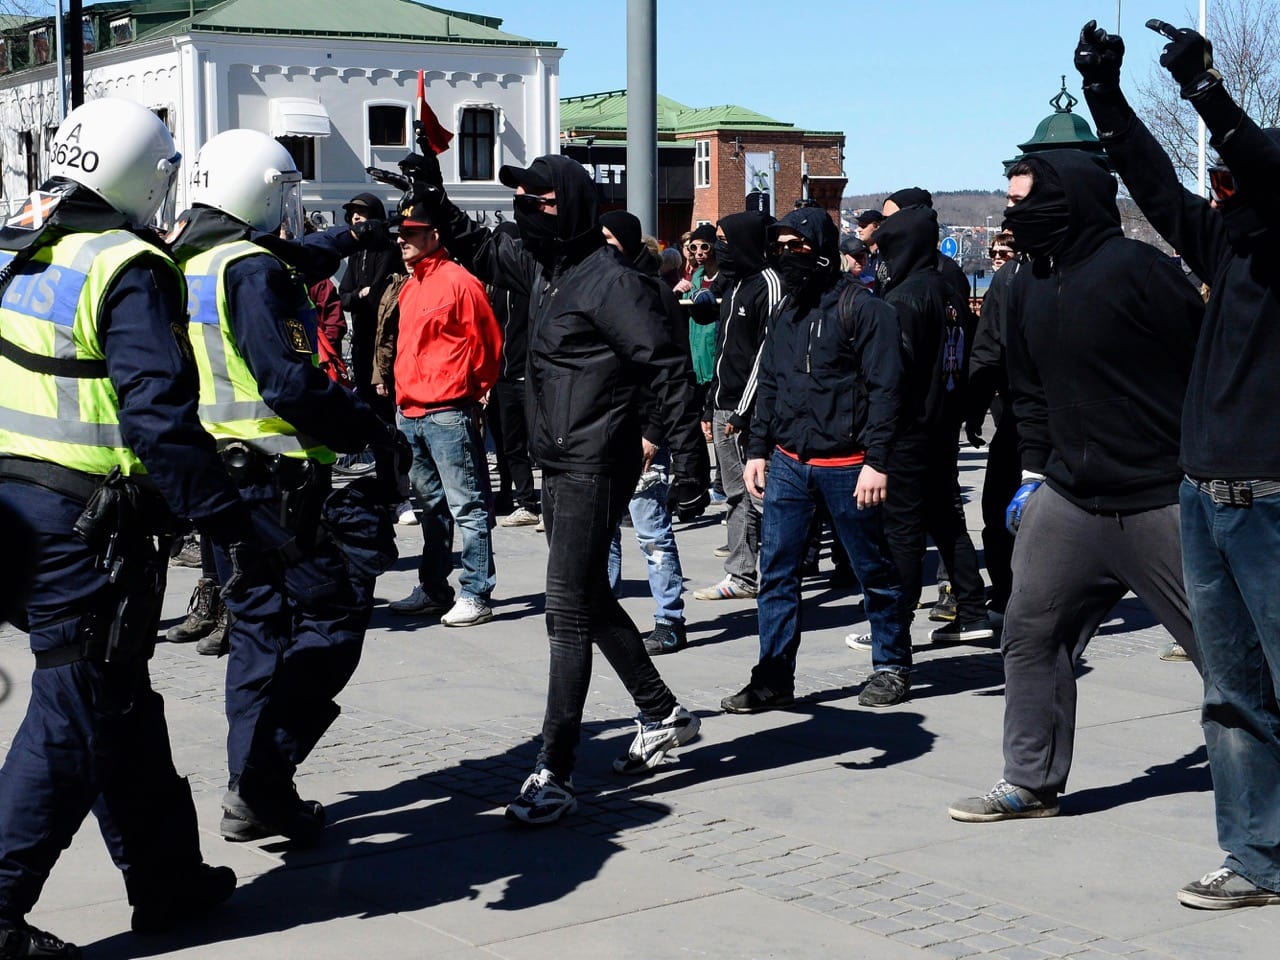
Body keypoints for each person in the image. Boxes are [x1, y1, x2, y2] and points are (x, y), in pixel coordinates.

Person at [0, 98, 273, 956]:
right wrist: (226, 519)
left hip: (17, 510)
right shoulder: (125, 263)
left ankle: (168, 881)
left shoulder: (18, 244)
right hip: (86, 522)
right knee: (77, 702)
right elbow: (157, 418)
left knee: (118, 699)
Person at [418, 152, 702, 823]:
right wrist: (432, 196)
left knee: (566, 611)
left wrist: (688, 463)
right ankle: (662, 713)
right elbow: (481, 247)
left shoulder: (611, 283)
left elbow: (666, 370)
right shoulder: (549, 272)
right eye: (523, 198)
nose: (530, 210)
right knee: (589, 595)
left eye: (543, 201)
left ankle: (555, 767)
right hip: (559, 459)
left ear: (573, 204)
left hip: (594, 463)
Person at [1076, 16, 1280, 909]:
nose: (1221, 191)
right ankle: (1258, 861)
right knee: (1232, 698)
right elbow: (1157, 187)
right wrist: (1106, 96)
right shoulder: (1227, 243)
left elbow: (1264, 171)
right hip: (1206, 498)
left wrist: (1208, 89)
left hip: (1273, 502)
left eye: (1235, 180)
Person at [947, 147, 1203, 826]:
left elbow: (1206, 367)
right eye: (1008, 203)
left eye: (1025, 201)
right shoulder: (1024, 285)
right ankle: (1030, 783)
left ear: (1073, 201)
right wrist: (1034, 475)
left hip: (1161, 496)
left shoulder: (1143, 272)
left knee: (1229, 650)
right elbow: (1026, 392)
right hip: (1068, 497)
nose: (1013, 214)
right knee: (1030, 632)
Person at [169, 128, 404, 845]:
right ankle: (262, 779)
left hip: (219, 480)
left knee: (257, 636)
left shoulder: (188, 262)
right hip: (277, 480)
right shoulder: (253, 270)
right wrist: (365, 424)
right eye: (283, 193)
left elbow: (305, 253)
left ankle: (252, 790)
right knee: (333, 621)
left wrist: (352, 234)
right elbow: (287, 381)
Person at [720, 207, 913, 713]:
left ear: (824, 247)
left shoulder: (866, 310)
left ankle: (891, 663)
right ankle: (772, 676)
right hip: (788, 463)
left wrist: (878, 460)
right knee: (777, 572)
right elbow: (771, 385)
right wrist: (758, 450)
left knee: (873, 569)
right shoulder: (786, 312)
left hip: (850, 467)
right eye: (780, 245)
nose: (788, 253)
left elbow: (888, 390)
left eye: (798, 245)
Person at [873, 198, 991, 643]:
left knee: (902, 530)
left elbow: (893, 372)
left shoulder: (906, 298)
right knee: (945, 518)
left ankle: (893, 628)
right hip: (941, 420)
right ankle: (973, 607)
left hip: (910, 426)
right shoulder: (949, 288)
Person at [381, 196, 501, 626]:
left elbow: (488, 344)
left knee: (466, 506)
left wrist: (474, 389)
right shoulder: (412, 284)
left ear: (434, 235)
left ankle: (476, 592)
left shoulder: (459, 282)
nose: (402, 239)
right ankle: (434, 589)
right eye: (401, 233)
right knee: (431, 506)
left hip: (448, 410)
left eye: (411, 233)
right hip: (411, 411)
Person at [599, 210, 698, 656]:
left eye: (608, 239)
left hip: (642, 436)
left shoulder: (654, 293)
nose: (602, 247)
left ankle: (669, 619)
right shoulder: (601, 289)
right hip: (604, 432)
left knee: (652, 531)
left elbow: (672, 373)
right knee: (604, 533)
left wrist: (653, 432)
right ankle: (603, 611)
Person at [693, 211, 783, 603]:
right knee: (735, 494)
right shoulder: (735, 284)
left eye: (726, 240)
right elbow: (725, 351)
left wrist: (745, 411)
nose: (720, 249)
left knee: (761, 495)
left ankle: (775, 571)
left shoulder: (768, 284)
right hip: (723, 404)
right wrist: (709, 405)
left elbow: (768, 355)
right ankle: (741, 572)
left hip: (749, 411)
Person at [964, 232, 1021, 614]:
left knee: (1001, 508)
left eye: (1005, 251)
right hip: (1025, 413)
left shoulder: (1010, 281)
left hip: (1024, 415)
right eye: (994, 252)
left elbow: (986, 354)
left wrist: (973, 409)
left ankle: (1008, 594)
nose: (998, 257)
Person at [486, 221, 541, 527]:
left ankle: (533, 499)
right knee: (509, 442)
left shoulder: (531, 280)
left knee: (536, 442)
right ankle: (517, 497)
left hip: (529, 373)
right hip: (502, 374)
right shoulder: (495, 285)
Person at [338, 192, 402, 417]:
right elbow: (343, 296)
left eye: (362, 212)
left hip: (385, 341)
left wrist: (359, 297)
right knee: (366, 400)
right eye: (353, 213)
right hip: (362, 340)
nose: (356, 217)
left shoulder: (389, 249)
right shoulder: (357, 253)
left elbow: (376, 296)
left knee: (386, 403)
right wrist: (358, 296)